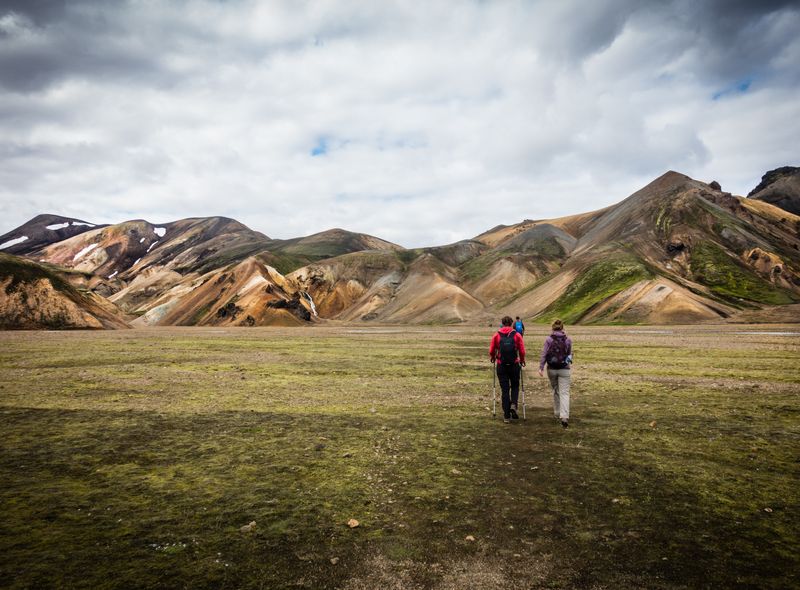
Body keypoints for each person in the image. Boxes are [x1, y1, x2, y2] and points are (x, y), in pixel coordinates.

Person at [489, 316, 526, 423]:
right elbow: (522, 350)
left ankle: (506, 416)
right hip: (514, 364)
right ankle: (513, 404)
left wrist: (493, 357)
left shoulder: (496, 335)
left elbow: (491, 350)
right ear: (511, 323)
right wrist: (522, 360)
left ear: (502, 323)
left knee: (505, 390)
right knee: (515, 386)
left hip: (502, 365)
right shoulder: (517, 335)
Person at [538, 319, 573, 428]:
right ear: (562, 327)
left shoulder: (548, 339)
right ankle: (564, 416)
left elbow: (544, 354)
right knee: (565, 393)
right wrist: (567, 363)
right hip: (564, 369)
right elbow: (569, 355)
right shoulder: (568, 339)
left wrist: (541, 367)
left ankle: (557, 412)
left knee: (556, 390)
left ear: (552, 327)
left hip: (551, 369)